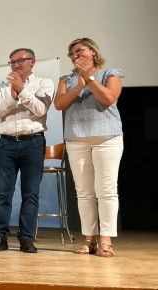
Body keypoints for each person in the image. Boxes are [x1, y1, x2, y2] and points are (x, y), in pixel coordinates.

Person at [54, 38, 123, 257]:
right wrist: (80, 85)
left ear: (92, 52)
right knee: (84, 192)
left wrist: (90, 79)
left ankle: (106, 239)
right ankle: (89, 238)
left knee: (106, 190)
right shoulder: (66, 79)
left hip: (107, 137)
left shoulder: (110, 73)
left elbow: (109, 98)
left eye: (78, 51)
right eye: (71, 54)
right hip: (76, 138)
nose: (74, 56)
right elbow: (59, 104)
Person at [0, 48, 54, 254]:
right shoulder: (3, 88)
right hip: (6, 143)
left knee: (30, 194)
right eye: (12, 62)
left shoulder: (44, 83)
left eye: (20, 61)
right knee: (3, 194)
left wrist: (22, 90)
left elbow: (41, 109)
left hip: (32, 142)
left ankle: (26, 238)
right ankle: (0, 237)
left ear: (32, 62)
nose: (16, 65)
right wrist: (13, 96)